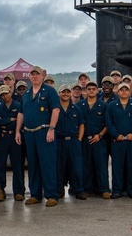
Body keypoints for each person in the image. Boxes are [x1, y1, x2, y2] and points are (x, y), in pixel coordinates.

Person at [15, 66, 61, 207]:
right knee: (33, 165)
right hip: (29, 133)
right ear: (29, 77)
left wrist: (51, 128)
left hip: (44, 131)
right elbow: (21, 113)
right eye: (32, 74)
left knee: (47, 164)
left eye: (37, 74)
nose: (35, 77)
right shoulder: (27, 94)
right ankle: (35, 194)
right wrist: (18, 131)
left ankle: (51, 195)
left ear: (42, 76)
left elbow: (56, 109)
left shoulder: (50, 91)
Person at [105, 81, 132, 198]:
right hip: (118, 141)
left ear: (129, 91)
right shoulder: (112, 106)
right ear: (118, 92)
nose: (124, 92)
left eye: (126, 90)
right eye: (122, 90)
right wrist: (115, 135)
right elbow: (108, 122)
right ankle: (117, 190)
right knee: (117, 166)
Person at [79, 80, 109, 198]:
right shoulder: (80, 105)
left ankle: (104, 189)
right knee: (86, 165)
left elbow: (108, 123)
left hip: (99, 139)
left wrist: (100, 135)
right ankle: (88, 189)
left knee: (101, 165)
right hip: (85, 139)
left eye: (93, 89)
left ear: (97, 91)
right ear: (85, 91)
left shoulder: (104, 106)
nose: (91, 91)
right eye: (89, 89)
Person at [55, 84, 86, 200]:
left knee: (76, 166)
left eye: (68, 92)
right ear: (59, 93)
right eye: (63, 92)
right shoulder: (55, 109)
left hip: (73, 141)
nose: (66, 94)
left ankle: (78, 189)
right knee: (59, 167)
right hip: (59, 141)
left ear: (71, 93)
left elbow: (81, 124)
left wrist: (79, 140)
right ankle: (59, 190)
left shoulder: (76, 109)